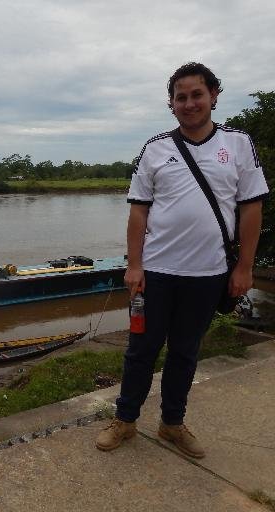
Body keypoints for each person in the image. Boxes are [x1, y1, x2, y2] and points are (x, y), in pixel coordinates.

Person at [96, 62, 269, 458]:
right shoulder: (156, 148)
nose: (189, 103)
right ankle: (125, 420)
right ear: (171, 104)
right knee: (140, 351)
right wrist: (134, 265)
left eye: (197, 95)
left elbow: (251, 209)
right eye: (180, 97)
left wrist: (243, 268)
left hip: (209, 275)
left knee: (185, 352)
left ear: (213, 97)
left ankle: (172, 423)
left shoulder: (238, 144)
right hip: (155, 273)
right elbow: (138, 211)